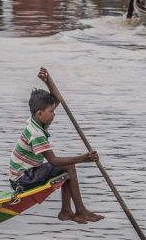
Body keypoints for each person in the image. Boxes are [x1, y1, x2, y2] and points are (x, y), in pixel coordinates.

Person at [8, 69, 104, 224]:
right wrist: (84, 158)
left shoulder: (35, 120)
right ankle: (80, 211)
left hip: (23, 174)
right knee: (68, 166)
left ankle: (67, 211)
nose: (55, 114)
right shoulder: (36, 133)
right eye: (51, 111)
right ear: (40, 113)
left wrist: (48, 81)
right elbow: (54, 161)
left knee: (67, 167)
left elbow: (57, 99)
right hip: (22, 180)